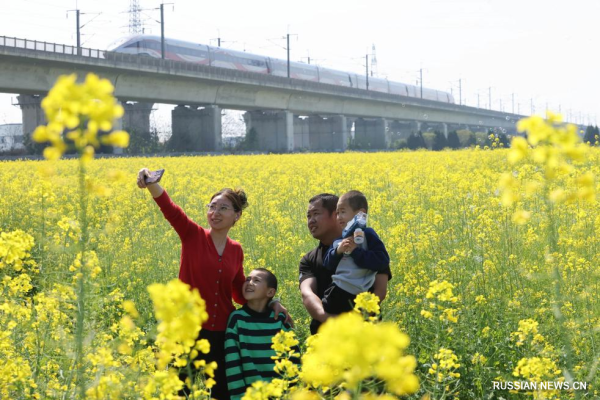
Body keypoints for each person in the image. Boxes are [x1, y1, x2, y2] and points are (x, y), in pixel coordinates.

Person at [136, 168, 290, 400]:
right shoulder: (193, 235)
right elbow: (171, 210)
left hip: (222, 333)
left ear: (236, 216)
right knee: (179, 390)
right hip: (187, 328)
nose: (215, 212)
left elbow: (239, 292)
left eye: (223, 208)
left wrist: (272, 302)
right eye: (212, 207)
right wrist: (151, 183)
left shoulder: (236, 249)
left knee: (222, 393)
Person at [299, 193, 392, 335]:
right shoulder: (309, 259)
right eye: (308, 216)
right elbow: (307, 293)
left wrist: (359, 317)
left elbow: (380, 290)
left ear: (334, 216)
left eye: (316, 214)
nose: (311, 221)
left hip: (364, 333)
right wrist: (331, 319)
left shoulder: (368, 244)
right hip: (326, 336)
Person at [224, 268, 299, 400]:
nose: (249, 282)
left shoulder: (279, 319)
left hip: (281, 394)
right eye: (247, 279)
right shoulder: (237, 319)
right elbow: (232, 363)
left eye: (256, 280)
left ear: (270, 292)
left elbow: (294, 357)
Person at [321, 190, 390, 315]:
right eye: (337, 213)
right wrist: (337, 251)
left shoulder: (368, 235)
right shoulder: (338, 240)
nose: (338, 217)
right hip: (338, 292)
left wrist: (356, 252)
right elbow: (327, 264)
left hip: (363, 295)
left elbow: (382, 261)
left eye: (343, 212)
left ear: (361, 214)